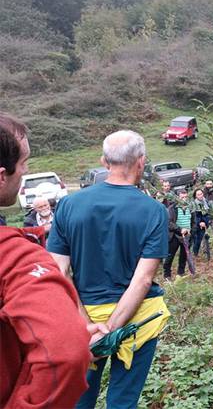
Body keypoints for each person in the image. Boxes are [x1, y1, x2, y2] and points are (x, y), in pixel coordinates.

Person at [47, 130, 170, 409]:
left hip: (84, 318)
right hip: (137, 320)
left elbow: (58, 271)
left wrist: (87, 329)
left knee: (80, 397)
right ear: (141, 162)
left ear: (104, 161)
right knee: (123, 400)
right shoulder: (153, 211)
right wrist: (110, 330)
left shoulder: (68, 205)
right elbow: (143, 279)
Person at [0, 112, 91, 408]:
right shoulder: (13, 255)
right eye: (24, 163)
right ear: (2, 176)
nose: (25, 171)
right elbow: (65, 353)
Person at [163, 188, 192, 280]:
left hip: (187, 236)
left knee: (184, 256)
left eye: (185, 197)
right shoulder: (172, 208)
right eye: (182, 197)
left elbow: (194, 221)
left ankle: (181, 273)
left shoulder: (190, 208)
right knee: (170, 256)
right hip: (175, 236)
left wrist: (191, 230)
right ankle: (167, 275)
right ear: (177, 198)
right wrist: (180, 229)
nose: (184, 199)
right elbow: (169, 223)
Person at [191, 188, 211, 257]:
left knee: (200, 239)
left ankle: (199, 253)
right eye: (198, 194)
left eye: (201, 194)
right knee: (196, 240)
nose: (200, 195)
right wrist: (199, 222)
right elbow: (194, 215)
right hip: (196, 224)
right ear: (196, 196)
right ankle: (194, 254)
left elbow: (207, 213)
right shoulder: (194, 203)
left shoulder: (206, 202)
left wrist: (206, 221)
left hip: (204, 224)